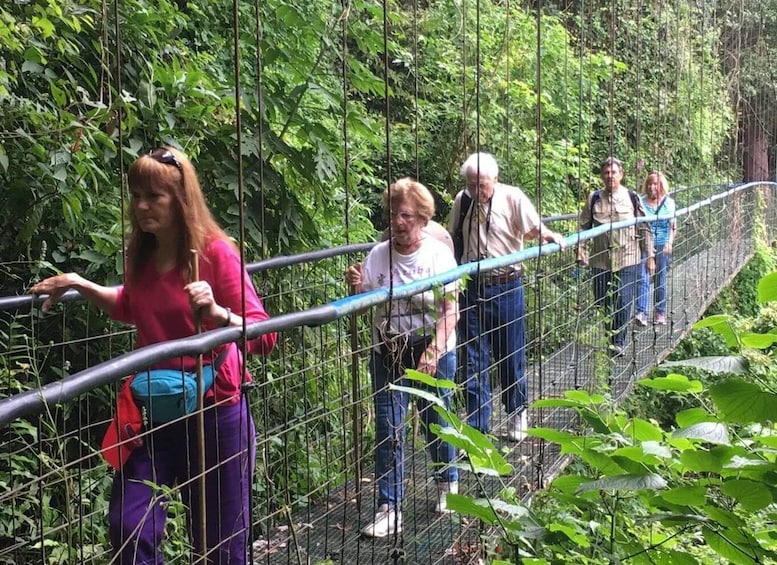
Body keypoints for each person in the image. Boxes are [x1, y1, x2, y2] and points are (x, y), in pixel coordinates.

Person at [30, 146, 277, 564]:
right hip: (152, 411)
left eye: (154, 196)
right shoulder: (140, 254)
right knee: (129, 526)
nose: (141, 206)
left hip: (215, 411)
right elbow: (134, 306)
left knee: (221, 545)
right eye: (136, 195)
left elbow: (262, 335)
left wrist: (217, 314)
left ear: (181, 199)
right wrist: (82, 285)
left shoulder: (215, 253)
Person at [345, 177, 459, 538]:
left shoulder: (438, 256)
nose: (398, 222)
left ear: (423, 218)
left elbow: (451, 310)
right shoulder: (378, 254)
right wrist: (358, 291)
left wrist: (434, 351)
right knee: (388, 428)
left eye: (406, 215)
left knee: (435, 422)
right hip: (388, 350)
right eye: (394, 214)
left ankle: (446, 481)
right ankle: (388, 507)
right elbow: (365, 305)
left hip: (432, 348)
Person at [448, 152, 565, 441]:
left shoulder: (512, 198)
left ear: (495, 180)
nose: (478, 191)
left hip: (507, 284)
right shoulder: (462, 201)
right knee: (473, 360)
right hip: (471, 287)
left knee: (509, 354)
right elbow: (452, 237)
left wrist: (550, 236)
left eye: (483, 185)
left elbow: (534, 229)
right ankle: (478, 430)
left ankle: (517, 412)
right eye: (472, 184)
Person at [578, 156, 655, 355]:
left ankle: (618, 342)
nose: (609, 176)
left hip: (628, 258)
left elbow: (644, 226)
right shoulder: (594, 198)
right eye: (606, 173)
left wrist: (650, 256)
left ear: (621, 175)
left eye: (613, 172)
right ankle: (610, 333)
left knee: (623, 300)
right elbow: (583, 227)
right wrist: (580, 249)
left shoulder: (632, 197)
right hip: (601, 260)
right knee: (601, 301)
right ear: (602, 176)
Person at [635, 171, 676, 326]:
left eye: (656, 184)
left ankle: (660, 312)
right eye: (650, 184)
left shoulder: (669, 203)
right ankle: (641, 313)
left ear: (662, 186)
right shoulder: (641, 202)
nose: (652, 187)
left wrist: (669, 243)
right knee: (642, 276)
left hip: (661, 244)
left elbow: (673, 226)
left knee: (660, 278)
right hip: (644, 244)